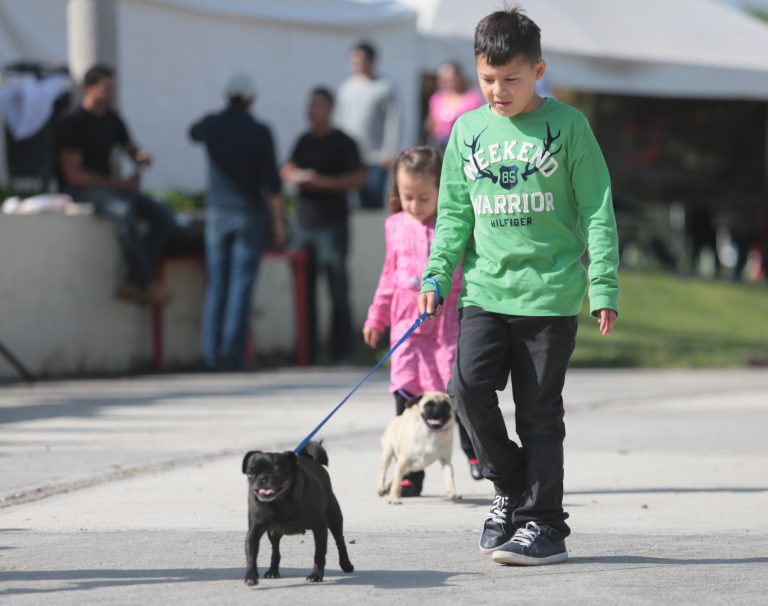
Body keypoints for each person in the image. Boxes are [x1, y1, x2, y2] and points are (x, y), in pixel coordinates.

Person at [417, 8, 619, 565]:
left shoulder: (570, 126)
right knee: (465, 390)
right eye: (487, 79)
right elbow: (454, 215)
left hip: (550, 295)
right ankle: (511, 485)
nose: (497, 91)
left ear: (538, 71)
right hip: (484, 291)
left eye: (511, 79)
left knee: (537, 413)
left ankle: (545, 526)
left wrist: (603, 283)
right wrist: (436, 275)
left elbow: (598, 210)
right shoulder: (466, 130)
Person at [364, 146, 482, 498]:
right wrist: (376, 316)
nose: (415, 205)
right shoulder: (394, 226)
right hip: (408, 323)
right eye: (407, 196)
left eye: (424, 197)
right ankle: (410, 473)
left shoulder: (453, 221)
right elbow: (388, 275)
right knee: (406, 391)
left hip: (443, 320)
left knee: (454, 388)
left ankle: (473, 450)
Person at [189, 72, 285, 371]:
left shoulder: (213, 124)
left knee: (217, 284)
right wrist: (278, 223)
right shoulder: (260, 131)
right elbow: (273, 183)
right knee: (240, 287)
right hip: (248, 214)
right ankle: (231, 355)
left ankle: (209, 353)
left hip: (217, 213)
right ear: (252, 98)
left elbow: (193, 132)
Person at [57, 64, 175, 305]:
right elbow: (74, 175)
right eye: (105, 89)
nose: (110, 95)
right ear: (88, 88)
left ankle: (135, 281)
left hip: (110, 188)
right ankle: (144, 281)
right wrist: (118, 184)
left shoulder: (112, 118)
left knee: (162, 216)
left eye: (112, 89)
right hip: (81, 190)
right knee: (124, 212)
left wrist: (142, 156)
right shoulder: (72, 123)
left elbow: (131, 148)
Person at [281, 87, 365, 364]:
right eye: (310, 105)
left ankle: (341, 352)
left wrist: (323, 183)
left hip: (332, 225)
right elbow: (287, 168)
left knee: (336, 289)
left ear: (329, 109)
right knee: (304, 292)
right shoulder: (303, 140)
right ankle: (307, 353)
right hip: (304, 225)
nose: (312, 111)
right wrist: (294, 175)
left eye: (318, 105)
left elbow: (358, 178)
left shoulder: (343, 142)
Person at [335, 41, 400, 209]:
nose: (358, 65)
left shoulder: (384, 86)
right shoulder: (346, 88)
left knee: (372, 201)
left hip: (376, 157)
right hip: (350, 156)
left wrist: (389, 150)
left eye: (362, 60)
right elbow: (340, 118)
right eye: (354, 61)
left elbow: (393, 120)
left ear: (372, 61)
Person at [425, 62, 484, 150]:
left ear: (459, 78)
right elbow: (429, 124)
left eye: (452, 79)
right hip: (439, 142)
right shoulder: (437, 98)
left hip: (464, 143)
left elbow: (479, 123)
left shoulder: (473, 99)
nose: (449, 83)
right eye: (445, 80)